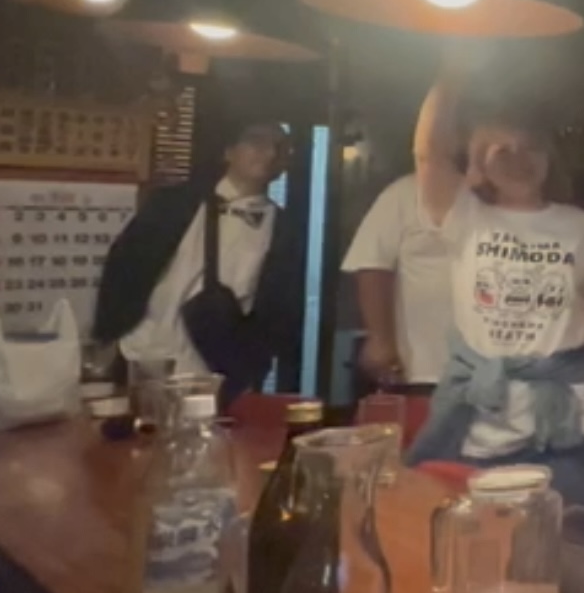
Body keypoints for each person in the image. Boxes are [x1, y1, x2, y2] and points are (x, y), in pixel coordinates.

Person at [405, 60, 584, 506]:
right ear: (479, 162)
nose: (519, 160)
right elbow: (429, 153)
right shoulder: (465, 216)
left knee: (563, 542)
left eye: (531, 148)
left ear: (550, 157)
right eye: (502, 150)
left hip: (562, 427)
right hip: (477, 423)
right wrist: (453, 68)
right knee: (469, 541)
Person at [95, 118, 301, 407]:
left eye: (281, 148)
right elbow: (122, 266)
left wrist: (253, 363)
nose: (269, 153)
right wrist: (108, 334)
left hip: (214, 367)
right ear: (229, 151)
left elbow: (279, 307)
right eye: (257, 142)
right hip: (143, 350)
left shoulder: (284, 227)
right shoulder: (174, 203)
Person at [341, 173, 454, 391]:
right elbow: (372, 264)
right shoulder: (405, 193)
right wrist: (379, 340)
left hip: (500, 373)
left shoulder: (510, 197)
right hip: (421, 369)